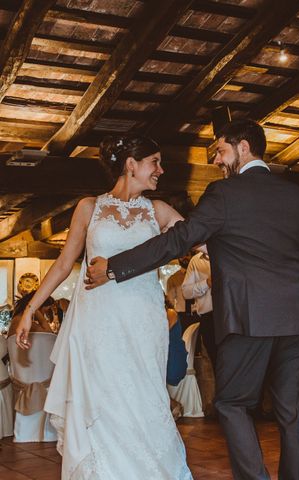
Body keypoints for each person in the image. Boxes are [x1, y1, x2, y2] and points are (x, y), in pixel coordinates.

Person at [85, 120, 299, 480]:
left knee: (232, 403)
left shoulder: (224, 195)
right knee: (294, 413)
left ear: (244, 147)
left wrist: (115, 266)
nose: (218, 161)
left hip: (247, 320)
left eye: (221, 151)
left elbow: (177, 240)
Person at [14, 135, 192, 479]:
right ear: (131, 165)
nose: (161, 170)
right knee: (102, 400)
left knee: (142, 397)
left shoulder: (159, 211)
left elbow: (199, 240)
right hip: (98, 322)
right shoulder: (89, 207)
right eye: (154, 162)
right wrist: (31, 308)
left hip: (143, 320)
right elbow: (65, 262)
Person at [182, 251, 215, 363]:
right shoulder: (195, 261)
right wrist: (206, 283)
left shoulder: (229, 252)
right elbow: (186, 292)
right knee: (215, 361)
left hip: (233, 315)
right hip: (209, 319)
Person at [166, 254, 191, 329]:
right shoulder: (173, 278)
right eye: (182, 256)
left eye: (187, 255)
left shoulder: (197, 274)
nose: (185, 258)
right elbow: (171, 301)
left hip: (199, 312)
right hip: (183, 315)